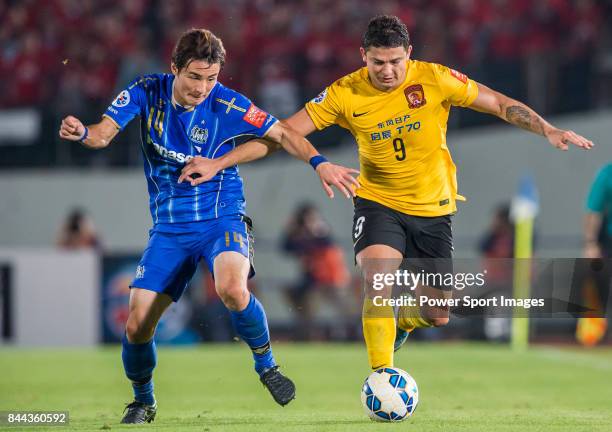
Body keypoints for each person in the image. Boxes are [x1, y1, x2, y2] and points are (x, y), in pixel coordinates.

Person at [176, 16, 594, 372]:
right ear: (364, 56)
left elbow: (501, 105)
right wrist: (218, 162)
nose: (388, 70)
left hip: (435, 209)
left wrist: (548, 129)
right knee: (379, 281)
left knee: (438, 313)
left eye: (395, 61)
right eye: (378, 62)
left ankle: (402, 322)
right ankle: (381, 376)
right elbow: (282, 134)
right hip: (378, 202)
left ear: (408, 53)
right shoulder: (345, 92)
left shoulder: (436, 79)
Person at [58, 28, 359, 424]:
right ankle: (143, 400)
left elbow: (282, 133)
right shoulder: (146, 91)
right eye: (195, 77)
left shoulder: (227, 103)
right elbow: (103, 133)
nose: (203, 88)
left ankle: (267, 365)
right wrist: (82, 133)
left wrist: (320, 163)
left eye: (211, 77)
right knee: (136, 325)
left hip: (222, 218)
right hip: (170, 228)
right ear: (174, 69)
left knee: (232, 288)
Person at [282, 202, 351, 340]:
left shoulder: (321, 232)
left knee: (345, 309)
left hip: (332, 278)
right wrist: (290, 230)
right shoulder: (300, 234)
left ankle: (352, 334)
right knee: (304, 304)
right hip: (313, 279)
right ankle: (309, 334)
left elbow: (326, 243)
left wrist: (314, 230)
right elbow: (287, 247)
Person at [577, 162, 611, 346]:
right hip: (609, 240)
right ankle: (594, 332)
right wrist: (590, 243)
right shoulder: (608, 174)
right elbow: (594, 210)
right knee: (598, 287)